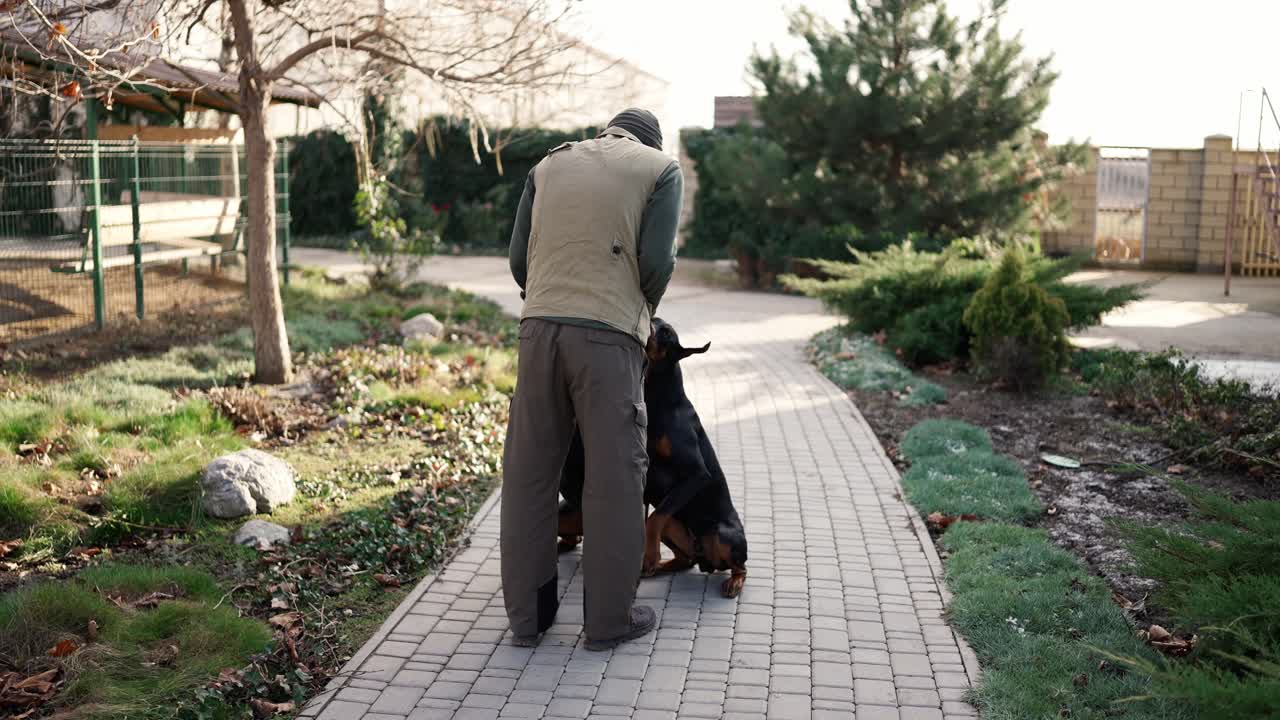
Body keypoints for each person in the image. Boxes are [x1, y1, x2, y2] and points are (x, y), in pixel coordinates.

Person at [502, 108, 683, 650]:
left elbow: (518, 261)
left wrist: (550, 300)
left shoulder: (549, 163)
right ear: (651, 139)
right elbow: (657, 260)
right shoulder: (660, 169)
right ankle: (608, 623)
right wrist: (637, 308)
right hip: (609, 338)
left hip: (538, 332)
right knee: (613, 478)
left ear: (608, 131)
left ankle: (528, 621)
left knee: (530, 472)